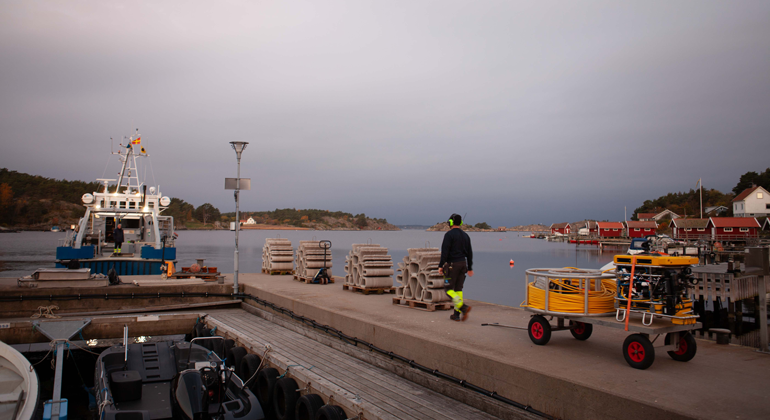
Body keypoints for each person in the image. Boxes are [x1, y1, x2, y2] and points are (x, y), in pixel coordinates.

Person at [438, 213, 474, 321]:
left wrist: (440, 266)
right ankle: (456, 315)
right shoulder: (466, 236)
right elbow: (470, 253)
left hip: (452, 266)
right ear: (461, 223)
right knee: (458, 290)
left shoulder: (449, 235)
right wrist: (470, 267)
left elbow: (445, 252)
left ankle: (463, 307)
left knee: (448, 289)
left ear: (450, 223)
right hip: (463, 264)